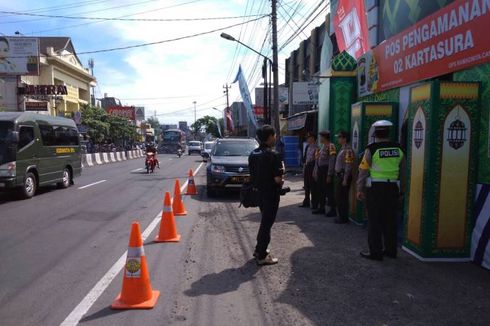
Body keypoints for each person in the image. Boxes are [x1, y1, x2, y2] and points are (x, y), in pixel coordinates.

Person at [357, 120, 405, 261]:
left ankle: (376, 252)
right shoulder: (399, 149)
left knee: (374, 220)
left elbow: (363, 170)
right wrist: (402, 189)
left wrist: (360, 189)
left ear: (375, 134)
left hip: (376, 188)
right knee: (390, 220)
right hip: (393, 188)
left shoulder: (371, 149)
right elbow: (403, 172)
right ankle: (391, 251)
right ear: (388, 133)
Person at [249, 125, 285, 266]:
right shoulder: (273, 154)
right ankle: (262, 254)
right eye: (275, 135)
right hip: (271, 194)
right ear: (270, 137)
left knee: (265, 221)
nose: (276, 138)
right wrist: (282, 179)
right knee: (266, 224)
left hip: (258, 193)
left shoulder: (253, 154)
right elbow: (278, 179)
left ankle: (260, 249)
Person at [313, 131, 337, 216]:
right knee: (320, 190)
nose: (320, 139)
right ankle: (321, 208)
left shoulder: (331, 146)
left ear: (325, 137)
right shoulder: (322, 147)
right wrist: (316, 171)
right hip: (320, 170)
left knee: (329, 191)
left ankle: (332, 210)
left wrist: (329, 174)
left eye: (321, 137)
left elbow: (332, 160)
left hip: (326, 170)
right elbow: (318, 160)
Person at [334, 130, 354, 224]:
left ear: (344, 138)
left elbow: (348, 165)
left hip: (344, 176)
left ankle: (343, 217)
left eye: (340, 137)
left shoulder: (348, 150)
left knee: (342, 197)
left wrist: (345, 178)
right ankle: (341, 216)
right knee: (339, 197)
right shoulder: (342, 148)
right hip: (340, 176)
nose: (338, 138)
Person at [300, 133, 318, 209]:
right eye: (307, 138)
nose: (307, 139)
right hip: (307, 166)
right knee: (306, 185)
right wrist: (304, 168)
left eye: (309, 137)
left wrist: (315, 170)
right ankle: (306, 201)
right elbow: (305, 158)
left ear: (313, 138)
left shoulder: (317, 148)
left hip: (312, 166)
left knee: (313, 186)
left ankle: (314, 203)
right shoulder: (307, 146)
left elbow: (317, 160)